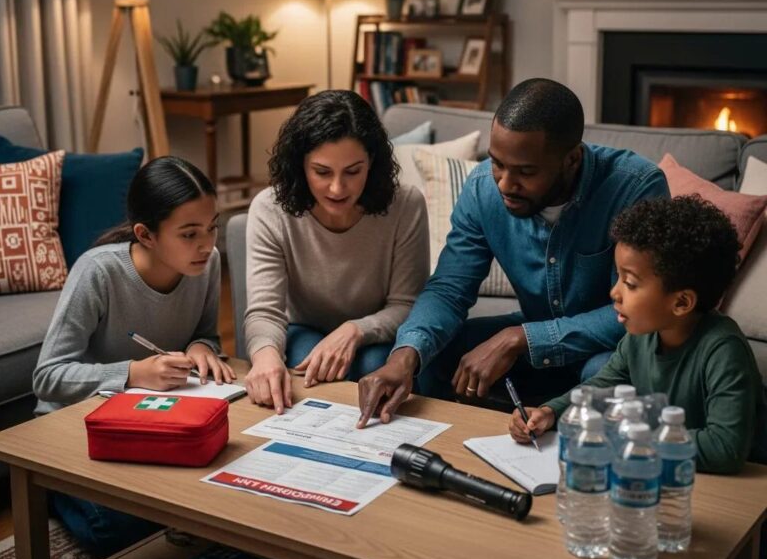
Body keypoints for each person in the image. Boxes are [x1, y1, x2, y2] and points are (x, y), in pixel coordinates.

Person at [357, 78, 670, 427]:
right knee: (431, 352)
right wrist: (405, 355)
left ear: (571, 159)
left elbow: (637, 314)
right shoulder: (482, 189)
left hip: (606, 351)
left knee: (609, 373)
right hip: (534, 344)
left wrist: (521, 338)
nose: (505, 183)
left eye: (525, 172)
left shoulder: (635, 188)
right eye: (497, 164)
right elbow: (449, 288)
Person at [33, 156, 234, 558]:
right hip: (74, 424)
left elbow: (205, 333)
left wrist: (201, 348)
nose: (207, 244)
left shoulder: (206, 264)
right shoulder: (99, 273)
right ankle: (49, 489)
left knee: (214, 492)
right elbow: (48, 377)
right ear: (146, 234)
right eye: (189, 233)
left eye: (212, 228)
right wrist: (132, 373)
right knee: (117, 527)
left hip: (148, 419)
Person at [509, 195, 767, 471]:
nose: (614, 292)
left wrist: (629, 438)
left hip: (742, 490)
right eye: (618, 277)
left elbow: (724, 448)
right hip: (671, 471)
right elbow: (600, 387)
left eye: (630, 283)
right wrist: (550, 412)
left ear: (681, 303)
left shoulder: (722, 349)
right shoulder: (641, 335)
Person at [243, 90, 429, 413]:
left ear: (372, 161)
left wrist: (355, 330)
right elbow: (265, 311)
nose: (337, 189)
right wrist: (264, 357)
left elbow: (407, 305)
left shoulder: (406, 204)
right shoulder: (269, 209)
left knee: (378, 366)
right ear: (300, 165)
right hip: (304, 329)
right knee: (307, 368)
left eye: (353, 171)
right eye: (322, 172)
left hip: (378, 332)